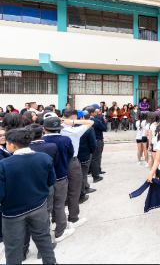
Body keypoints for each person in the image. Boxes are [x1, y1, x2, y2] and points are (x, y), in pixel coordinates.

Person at [0, 128, 57, 264]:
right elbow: (51, 181)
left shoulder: (4, 165)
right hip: (39, 205)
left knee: (13, 245)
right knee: (43, 237)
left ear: (13, 145)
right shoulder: (44, 157)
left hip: (13, 212)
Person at [60, 109, 94, 229]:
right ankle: (73, 219)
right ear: (74, 117)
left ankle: (58, 218)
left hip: (57, 161)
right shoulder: (74, 131)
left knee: (59, 189)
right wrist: (73, 122)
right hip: (71, 161)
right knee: (74, 190)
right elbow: (90, 122)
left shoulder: (56, 128)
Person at [91, 108, 107, 182]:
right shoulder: (96, 120)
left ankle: (92, 171)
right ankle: (96, 175)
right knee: (96, 158)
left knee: (91, 158)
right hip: (97, 139)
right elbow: (104, 128)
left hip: (88, 141)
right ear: (92, 113)